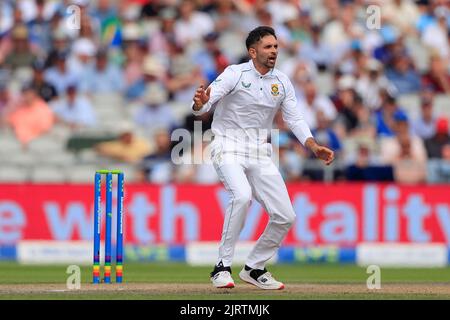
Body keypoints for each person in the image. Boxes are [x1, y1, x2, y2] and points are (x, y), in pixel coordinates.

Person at [191, 26, 334, 290]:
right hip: (227, 145)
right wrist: (200, 103)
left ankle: (254, 267)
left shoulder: (281, 81)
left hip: (259, 151)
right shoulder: (235, 73)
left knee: (285, 215)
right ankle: (221, 267)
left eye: (276, 47)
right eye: (268, 47)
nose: (274, 52)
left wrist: (313, 145)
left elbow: (295, 117)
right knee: (242, 195)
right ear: (252, 51)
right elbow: (207, 101)